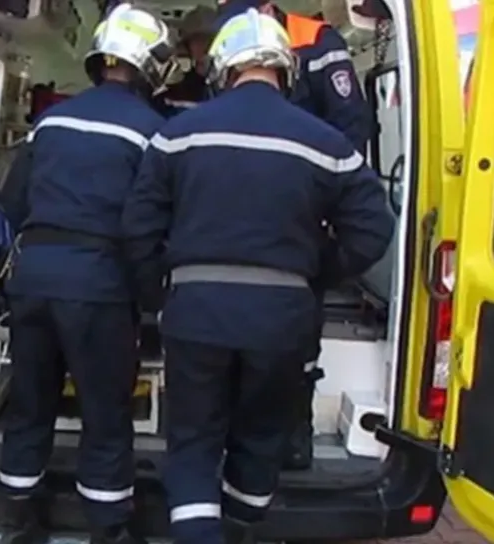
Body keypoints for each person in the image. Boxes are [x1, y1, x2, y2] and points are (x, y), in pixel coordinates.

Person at [120, 9, 394, 544]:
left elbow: (138, 228)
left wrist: (159, 293)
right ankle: (241, 528)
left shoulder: (176, 134)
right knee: (261, 436)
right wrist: (313, 271)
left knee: (194, 442)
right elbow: (373, 228)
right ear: (287, 70)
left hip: (196, 313)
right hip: (283, 319)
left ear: (223, 68)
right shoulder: (327, 143)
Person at [0, 5, 175, 543]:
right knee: (105, 412)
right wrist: (151, 294)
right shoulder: (153, 132)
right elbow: (150, 223)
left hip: (32, 280)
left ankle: (18, 521)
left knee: (30, 403)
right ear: (151, 66)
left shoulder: (51, 121)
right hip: (99, 285)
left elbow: (11, 203)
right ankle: (108, 527)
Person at [216, 0, 379, 470]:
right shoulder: (230, 36)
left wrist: (327, 200)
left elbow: (351, 125)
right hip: (243, 205)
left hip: (301, 202)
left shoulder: (317, 40)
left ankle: (293, 434)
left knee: (299, 331)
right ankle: (235, 438)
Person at [155, 6, 217, 117]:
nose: (207, 46)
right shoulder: (177, 91)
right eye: (199, 40)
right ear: (187, 45)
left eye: (211, 40)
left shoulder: (232, 84)